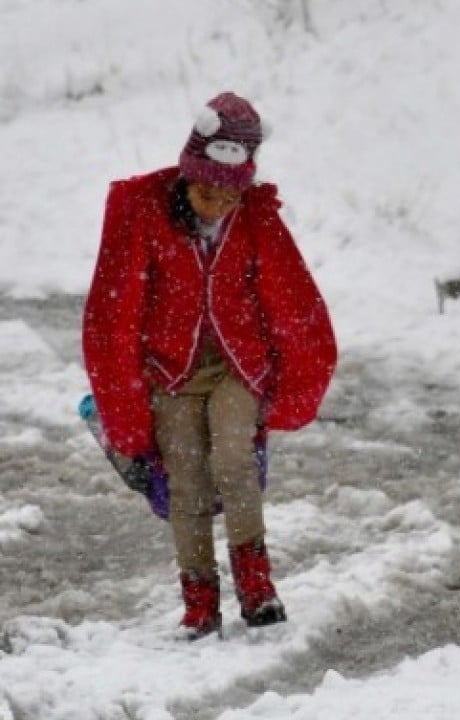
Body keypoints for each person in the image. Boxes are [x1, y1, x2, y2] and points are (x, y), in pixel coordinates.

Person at [82, 92, 337, 640]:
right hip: (170, 371)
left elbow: (292, 299)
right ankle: (198, 596)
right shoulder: (144, 213)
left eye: (229, 195)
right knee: (186, 481)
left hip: (236, 366)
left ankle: (256, 583)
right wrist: (124, 407)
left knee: (233, 456)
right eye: (206, 192)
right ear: (187, 174)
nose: (217, 205)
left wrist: (296, 376)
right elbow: (114, 311)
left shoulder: (254, 219)